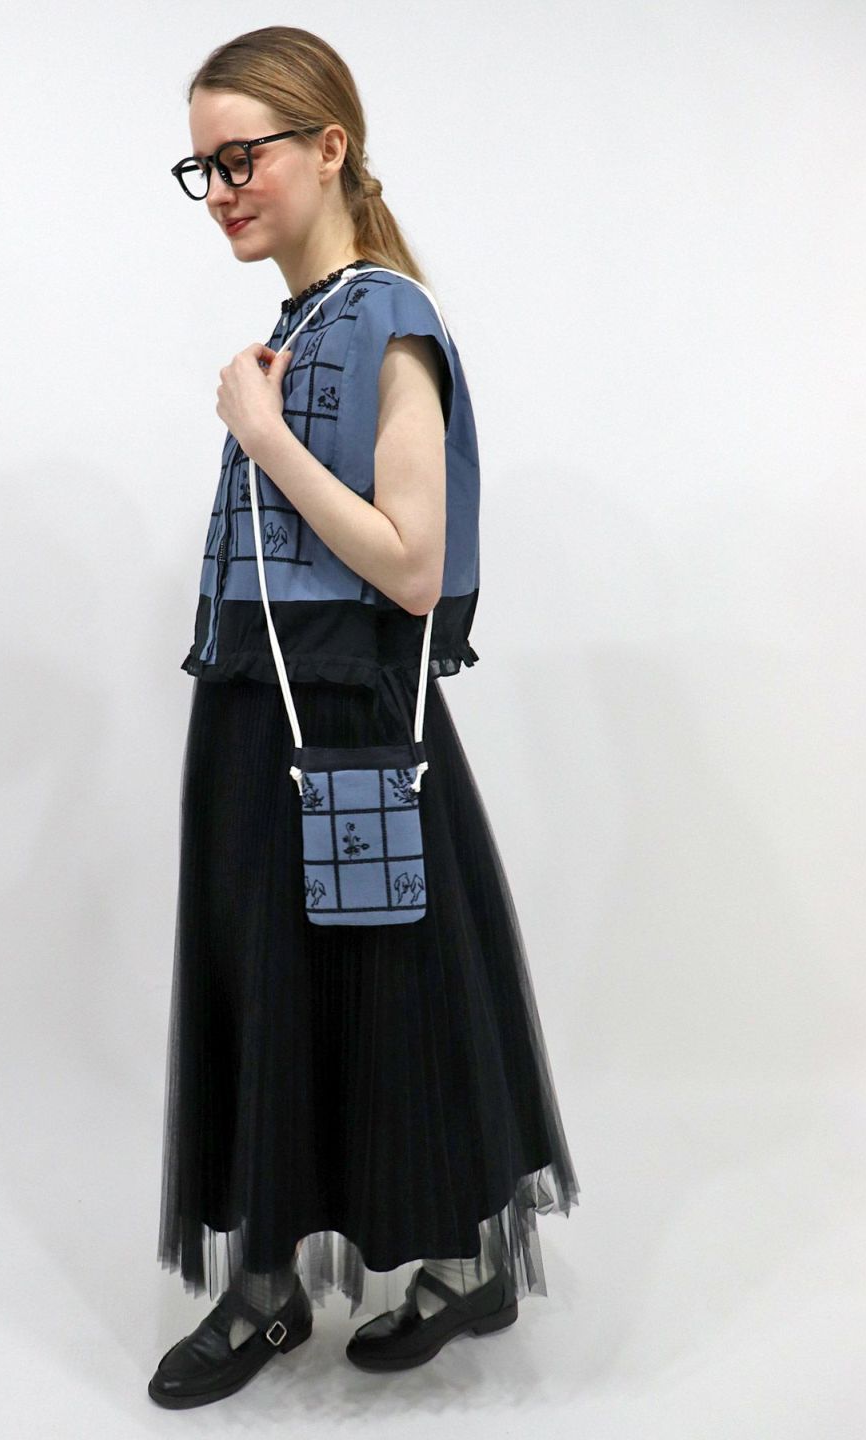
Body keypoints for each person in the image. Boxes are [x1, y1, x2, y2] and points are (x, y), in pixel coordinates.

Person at [149, 25, 580, 1410]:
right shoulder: (297, 325)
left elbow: (409, 561)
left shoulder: (392, 318)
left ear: (329, 146)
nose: (221, 190)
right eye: (203, 168)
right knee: (261, 986)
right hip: (255, 705)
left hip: (349, 715)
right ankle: (272, 1287)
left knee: (383, 994)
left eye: (242, 156)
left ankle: (443, 1266)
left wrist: (263, 436)